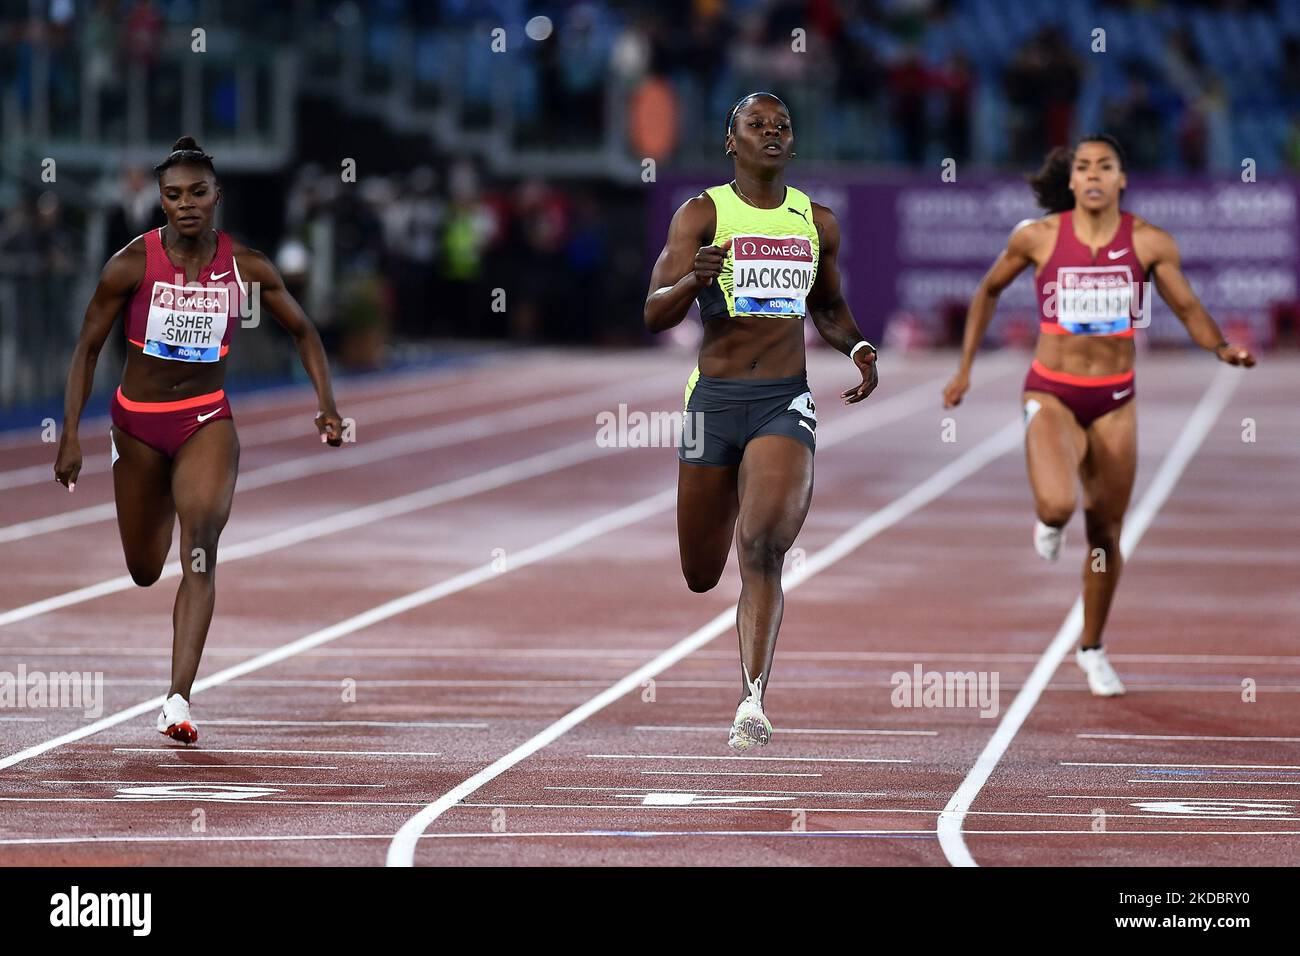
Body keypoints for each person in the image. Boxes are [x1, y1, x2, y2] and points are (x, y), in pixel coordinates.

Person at [54, 136, 346, 743]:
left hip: (205, 421)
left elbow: (304, 330)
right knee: (141, 569)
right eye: (172, 195)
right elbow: (86, 348)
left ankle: (178, 699)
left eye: (197, 193)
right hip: (136, 427)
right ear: (160, 201)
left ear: (217, 196)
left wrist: (327, 407)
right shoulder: (131, 264)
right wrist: (71, 435)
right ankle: (153, 501)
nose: (185, 204)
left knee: (202, 544)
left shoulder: (247, 268)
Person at [942, 134, 1255, 696]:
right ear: (1071, 180)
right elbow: (987, 291)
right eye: (1083, 167)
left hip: (1115, 398)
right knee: (1059, 506)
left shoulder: (1149, 242)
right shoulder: (1036, 238)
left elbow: (1186, 306)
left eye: (1105, 167)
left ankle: (1091, 648)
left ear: (1121, 179)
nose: (1093, 175)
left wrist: (1220, 347)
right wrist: (964, 369)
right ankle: (1049, 517)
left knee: (1106, 532)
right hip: (1053, 391)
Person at [644, 93, 878, 749]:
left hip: (783, 399)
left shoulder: (816, 221)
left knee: (764, 548)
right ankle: (728, 622)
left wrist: (857, 346)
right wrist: (692, 280)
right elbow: (654, 313)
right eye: (757, 125)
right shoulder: (702, 213)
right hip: (711, 402)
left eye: (782, 126)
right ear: (731, 141)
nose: (771, 133)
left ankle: (752, 700)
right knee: (700, 572)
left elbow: (829, 307)